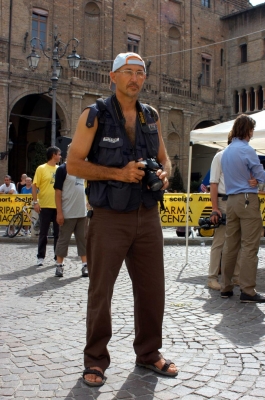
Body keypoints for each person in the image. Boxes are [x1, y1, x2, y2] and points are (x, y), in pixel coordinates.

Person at [67, 52, 178, 386]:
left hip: (147, 215)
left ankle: (148, 353)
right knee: (101, 291)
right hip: (108, 217)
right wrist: (119, 172)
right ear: (112, 77)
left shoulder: (151, 115)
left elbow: (165, 159)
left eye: (140, 72)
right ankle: (96, 360)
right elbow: (73, 164)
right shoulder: (94, 115)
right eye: (127, 72)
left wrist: (165, 174)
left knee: (152, 290)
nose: (135, 78)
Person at [220, 114, 265, 303]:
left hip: (231, 200)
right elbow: (260, 174)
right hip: (247, 199)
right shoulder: (247, 150)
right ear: (247, 130)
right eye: (252, 130)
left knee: (230, 244)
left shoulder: (227, 150)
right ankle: (247, 290)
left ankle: (226, 287)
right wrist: (258, 181)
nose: (253, 133)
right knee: (249, 246)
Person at [208, 138, 258, 290]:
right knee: (220, 241)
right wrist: (215, 207)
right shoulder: (220, 156)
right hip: (224, 201)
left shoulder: (243, 157)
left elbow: (250, 180)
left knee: (237, 241)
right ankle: (212, 277)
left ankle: (235, 276)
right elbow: (213, 183)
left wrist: (253, 182)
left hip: (239, 200)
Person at [54, 157, 88, 278]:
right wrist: (59, 212)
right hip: (67, 212)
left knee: (83, 240)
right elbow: (57, 191)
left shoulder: (82, 169)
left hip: (82, 213)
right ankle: (59, 265)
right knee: (63, 240)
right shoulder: (63, 169)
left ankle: (85, 265)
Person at [32, 146, 61, 266]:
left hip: (58, 206)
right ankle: (40, 257)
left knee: (58, 234)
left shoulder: (60, 169)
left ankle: (57, 258)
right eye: (59, 154)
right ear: (53, 155)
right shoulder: (41, 168)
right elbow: (34, 186)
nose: (60, 156)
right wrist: (35, 202)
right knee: (43, 233)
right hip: (44, 205)